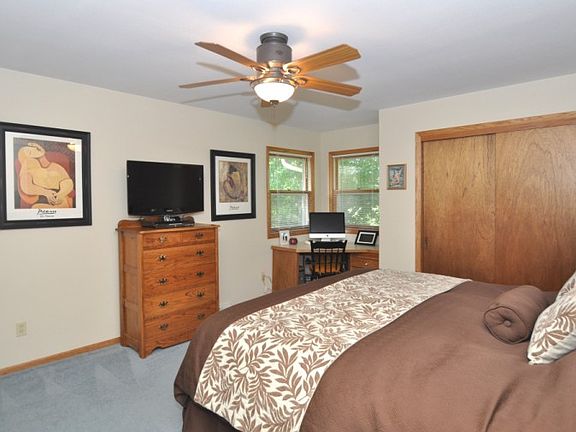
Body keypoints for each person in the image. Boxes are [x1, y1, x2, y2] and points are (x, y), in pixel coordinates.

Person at [18, 142, 74, 208]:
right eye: (30, 152)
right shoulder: (28, 172)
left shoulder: (55, 166)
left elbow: (67, 181)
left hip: (61, 200)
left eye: (33, 148)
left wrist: (61, 194)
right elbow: (27, 187)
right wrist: (46, 192)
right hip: (42, 202)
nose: (35, 150)